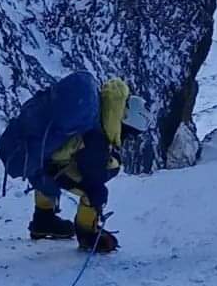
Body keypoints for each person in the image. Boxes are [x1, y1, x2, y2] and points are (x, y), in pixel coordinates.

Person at [14, 75, 150, 254]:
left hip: (37, 158)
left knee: (58, 165)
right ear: (124, 120)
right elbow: (93, 176)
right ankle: (87, 234)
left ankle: (43, 218)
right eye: (130, 133)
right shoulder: (98, 137)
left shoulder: (95, 109)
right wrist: (109, 165)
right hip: (48, 168)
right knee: (97, 190)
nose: (127, 137)